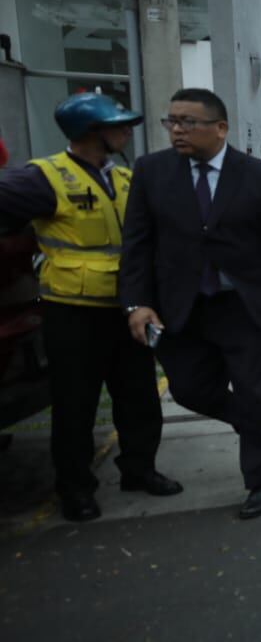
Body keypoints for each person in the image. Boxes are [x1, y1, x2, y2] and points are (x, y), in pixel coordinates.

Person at [119, 88, 261, 520]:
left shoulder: (260, 176)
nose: (177, 130)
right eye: (172, 121)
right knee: (188, 389)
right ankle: (251, 419)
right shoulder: (151, 171)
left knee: (255, 392)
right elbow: (137, 244)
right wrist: (137, 303)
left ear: (220, 128)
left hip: (244, 307)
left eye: (188, 122)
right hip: (181, 307)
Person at [0, 93, 181, 522]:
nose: (127, 132)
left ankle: (139, 469)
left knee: (139, 395)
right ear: (90, 131)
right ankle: (76, 489)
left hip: (128, 307)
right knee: (75, 404)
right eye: (118, 126)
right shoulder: (43, 177)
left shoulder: (124, 178)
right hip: (72, 311)